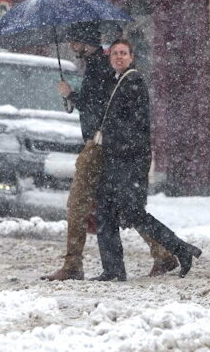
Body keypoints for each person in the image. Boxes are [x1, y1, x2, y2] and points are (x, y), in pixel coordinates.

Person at [39, 23, 178, 281]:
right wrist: (75, 97)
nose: (71, 46)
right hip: (103, 145)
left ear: (83, 41)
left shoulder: (100, 68)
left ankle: (73, 265)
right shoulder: (98, 66)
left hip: (98, 146)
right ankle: (163, 252)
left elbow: (102, 109)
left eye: (73, 41)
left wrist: (73, 95)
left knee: (79, 203)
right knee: (121, 206)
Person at [91, 39, 201, 281]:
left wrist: (113, 136)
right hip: (116, 158)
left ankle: (180, 249)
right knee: (107, 210)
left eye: (124, 53)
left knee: (131, 212)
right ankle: (113, 269)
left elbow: (133, 123)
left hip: (128, 159)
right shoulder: (115, 81)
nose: (119, 57)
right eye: (115, 53)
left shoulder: (133, 81)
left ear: (131, 57)